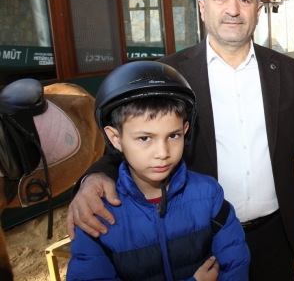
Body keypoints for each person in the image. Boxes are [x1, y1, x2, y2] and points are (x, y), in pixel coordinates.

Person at [66, 0, 294, 281]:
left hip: (275, 235)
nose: (233, 9)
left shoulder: (285, 70)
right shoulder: (166, 74)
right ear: (202, 7)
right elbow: (127, 144)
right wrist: (93, 179)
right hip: (201, 243)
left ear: (258, 9)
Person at [66, 61, 249, 281]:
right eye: (144, 138)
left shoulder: (209, 194)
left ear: (185, 131)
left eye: (173, 136)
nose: (162, 152)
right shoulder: (96, 213)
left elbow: (236, 265)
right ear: (115, 138)